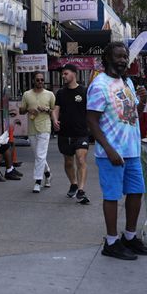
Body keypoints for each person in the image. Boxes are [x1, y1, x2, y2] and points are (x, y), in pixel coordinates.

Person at [87, 41, 147, 260]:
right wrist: (108, 149)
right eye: (118, 56)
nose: (123, 60)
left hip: (132, 150)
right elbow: (92, 121)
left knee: (136, 192)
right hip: (112, 153)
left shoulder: (128, 83)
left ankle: (130, 236)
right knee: (113, 196)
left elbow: (131, 112)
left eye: (125, 57)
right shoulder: (99, 85)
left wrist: (142, 101)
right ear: (107, 58)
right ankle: (111, 241)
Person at [52, 64, 90, 204]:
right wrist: (55, 120)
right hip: (65, 133)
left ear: (74, 74)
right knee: (68, 162)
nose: (63, 76)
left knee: (81, 160)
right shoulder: (60, 93)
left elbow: (91, 111)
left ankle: (81, 190)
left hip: (81, 133)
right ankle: (73, 183)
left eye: (66, 73)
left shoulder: (84, 91)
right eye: (63, 74)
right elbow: (56, 109)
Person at [20, 72, 55, 193]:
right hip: (32, 128)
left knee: (40, 155)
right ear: (33, 81)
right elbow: (21, 110)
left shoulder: (49, 94)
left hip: (45, 127)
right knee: (38, 155)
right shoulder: (27, 94)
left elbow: (54, 112)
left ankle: (37, 181)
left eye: (42, 80)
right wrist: (28, 109)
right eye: (38, 80)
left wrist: (47, 109)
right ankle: (48, 173)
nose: (40, 82)